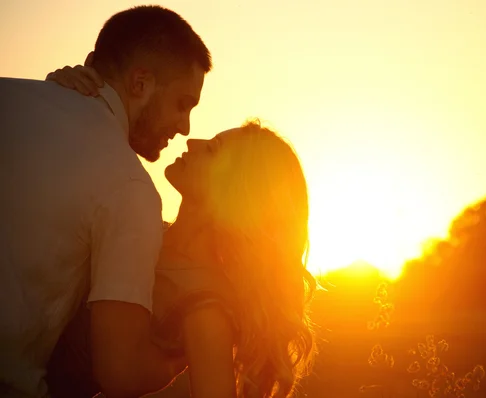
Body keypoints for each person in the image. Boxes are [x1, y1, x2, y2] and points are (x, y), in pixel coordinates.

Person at [46, 66, 318, 398]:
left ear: (235, 191)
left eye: (214, 148)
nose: (194, 140)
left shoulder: (205, 306)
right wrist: (62, 97)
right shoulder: (143, 228)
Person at [0, 5, 212, 397]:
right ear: (140, 84)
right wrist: (192, 351)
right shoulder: (130, 187)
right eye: (183, 104)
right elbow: (121, 373)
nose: (185, 128)